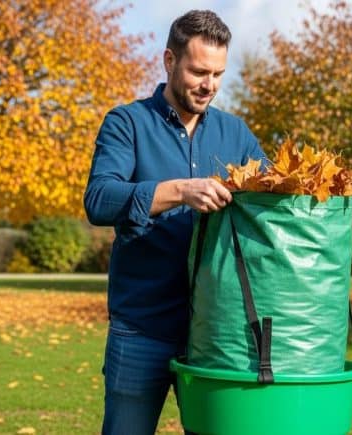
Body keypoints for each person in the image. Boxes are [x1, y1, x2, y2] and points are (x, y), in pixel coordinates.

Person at [83, 9, 267, 435]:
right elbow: (99, 199)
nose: (209, 85)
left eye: (218, 74)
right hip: (140, 328)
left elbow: (273, 199)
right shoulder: (127, 123)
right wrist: (181, 190)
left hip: (215, 335)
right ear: (169, 60)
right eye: (199, 72)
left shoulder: (236, 134)